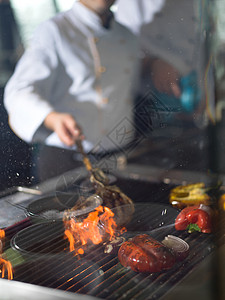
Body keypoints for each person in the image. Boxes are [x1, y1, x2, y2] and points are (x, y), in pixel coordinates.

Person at [3, 0, 139, 182]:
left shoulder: (127, 36)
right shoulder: (54, 30)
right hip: (67, 160)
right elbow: (18, 91)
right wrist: (51, 117)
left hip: (121, 156)